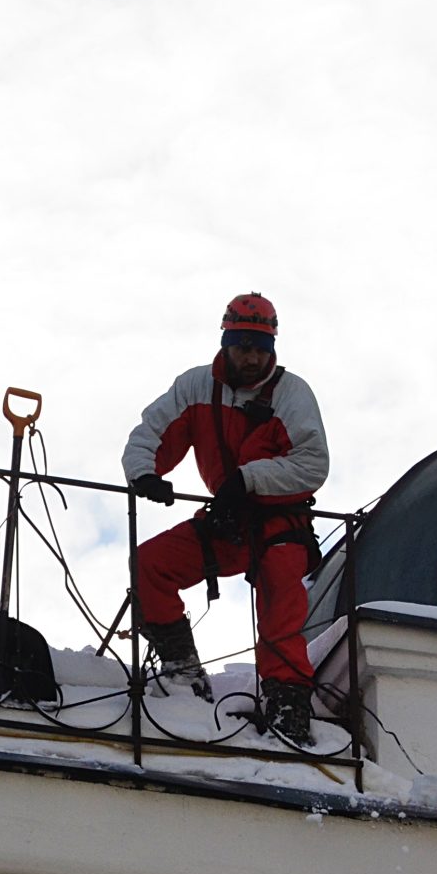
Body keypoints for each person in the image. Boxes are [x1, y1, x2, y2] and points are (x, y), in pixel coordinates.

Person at [122, 292, 330, 745]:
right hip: (227, 521)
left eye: (260, 347)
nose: (252, 357)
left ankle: (287, 702)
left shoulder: (293, 394)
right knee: (150, 564)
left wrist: (248, 479)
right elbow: (151, 433)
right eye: (242, 346)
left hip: (281, 523)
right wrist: (143, 473)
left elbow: (313, 465)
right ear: (225, 342)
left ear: (273, 348)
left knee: (281, 596)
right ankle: (182, 670)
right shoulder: (196, 387)